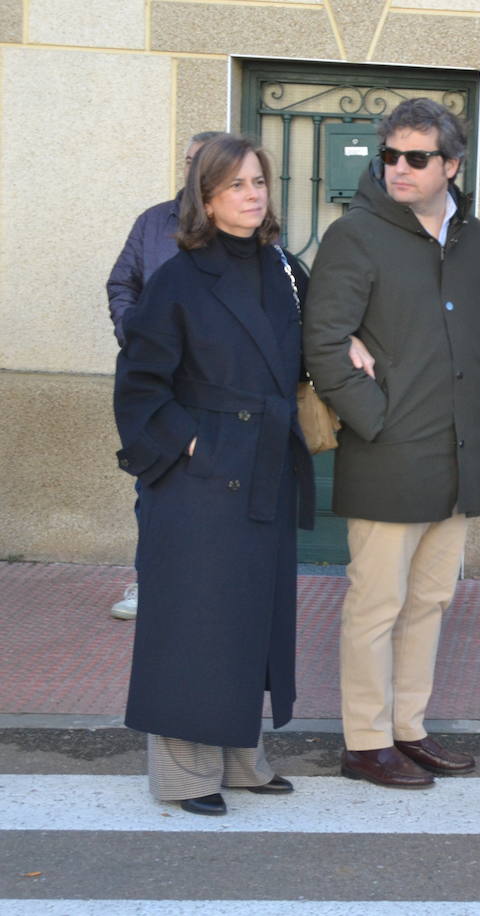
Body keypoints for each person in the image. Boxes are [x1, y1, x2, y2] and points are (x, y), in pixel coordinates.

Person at [113, 134, 314, 816]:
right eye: (234, 185)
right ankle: (182, 775)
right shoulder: (176, 277)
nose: (252, 194)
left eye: (259, 181)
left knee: (248, 619)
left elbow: (310, 346)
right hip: (201, 478)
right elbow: (139, 386)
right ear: (204, 197)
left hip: (263, 467)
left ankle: (241, 758)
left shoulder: (283, 268)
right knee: (192, 621)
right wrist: (196, 444)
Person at [303, 98, 480, 789]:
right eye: (391, 155)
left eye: (417, 157)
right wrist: (375, 419)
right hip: (390, 452)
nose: (399, 168)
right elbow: (324, 342)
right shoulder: (355, 236)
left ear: (451, 164)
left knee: (431, 601)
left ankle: (407, 729)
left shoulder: (468, 235)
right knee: (375, 604)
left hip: (458, 452)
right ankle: (364, 741)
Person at [106, 130, 226, 620]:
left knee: (215, 486)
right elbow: (121, 283)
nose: (192, 169)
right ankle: (149, 581)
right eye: (188, 160)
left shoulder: (239, 227)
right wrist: (134, 334)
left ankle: (210, 585)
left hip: (215, 383)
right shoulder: (154, 222)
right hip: (156, 382)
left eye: (203, 162)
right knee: (153, 485)